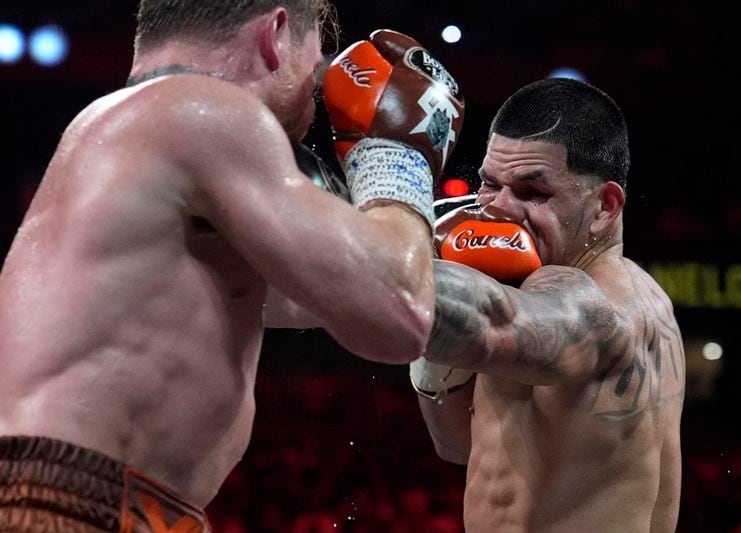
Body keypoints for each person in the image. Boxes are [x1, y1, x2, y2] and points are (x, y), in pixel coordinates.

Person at [0, 0, 464, 530]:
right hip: (66, 503)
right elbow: (397, 312)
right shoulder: (204, 110)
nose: (318, 97)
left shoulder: (126, 130)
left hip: (90, 497)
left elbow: (333, 292)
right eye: (316, 70)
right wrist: (396, 155)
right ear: (277, 32)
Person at [410, 78, 686, 532]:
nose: (498, 209)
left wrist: (401, 247)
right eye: (489, 184)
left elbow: (515, 326)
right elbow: (458, 445)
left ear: (604, 207)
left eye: (532, 193)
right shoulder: (647, 294)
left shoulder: (593, 304)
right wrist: (433, 362)